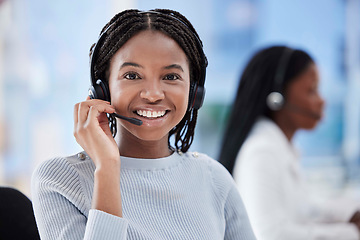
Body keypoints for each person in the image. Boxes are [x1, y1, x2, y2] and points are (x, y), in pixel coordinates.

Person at [31, 9, 256, 240]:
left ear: (194, 92)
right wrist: (107, 168)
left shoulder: (213, 179)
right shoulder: (58, 180)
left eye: (170, 77)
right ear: (102, 89)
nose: (153, 94)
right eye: (132, 75)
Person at [218, 46, 360, 240]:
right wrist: (351, 234)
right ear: (277, 99)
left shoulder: (280, 148)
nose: (322, 101)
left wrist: (350, 213)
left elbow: (306, 208)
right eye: (312, 91)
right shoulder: (262, 152)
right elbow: (269, 235)